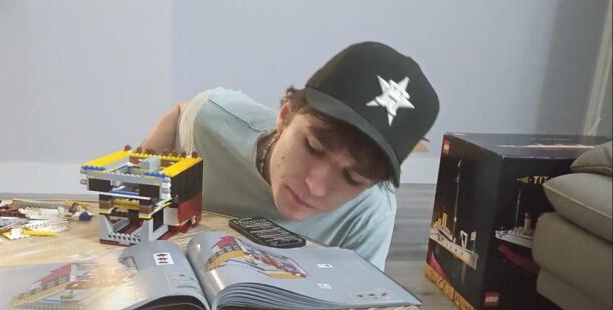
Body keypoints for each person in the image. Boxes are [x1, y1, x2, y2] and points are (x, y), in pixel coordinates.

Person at [141, 42, 439, 270]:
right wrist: (144, 165)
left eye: (353, 177)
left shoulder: (370, 214)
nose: (315, 186)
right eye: (313, 146)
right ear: (284, 115)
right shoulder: (214, 120)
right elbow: (185, 113)